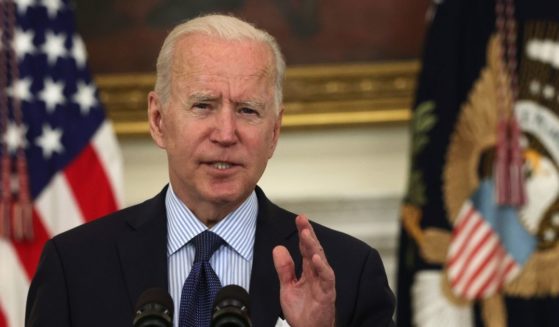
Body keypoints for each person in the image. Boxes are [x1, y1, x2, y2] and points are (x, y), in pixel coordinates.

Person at [25, 14, 395, 327]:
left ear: (274, 132)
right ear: (158, 120)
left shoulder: (348, 272)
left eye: (248, 110)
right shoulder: (74, 267)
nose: (226, 134)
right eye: (203, 105)